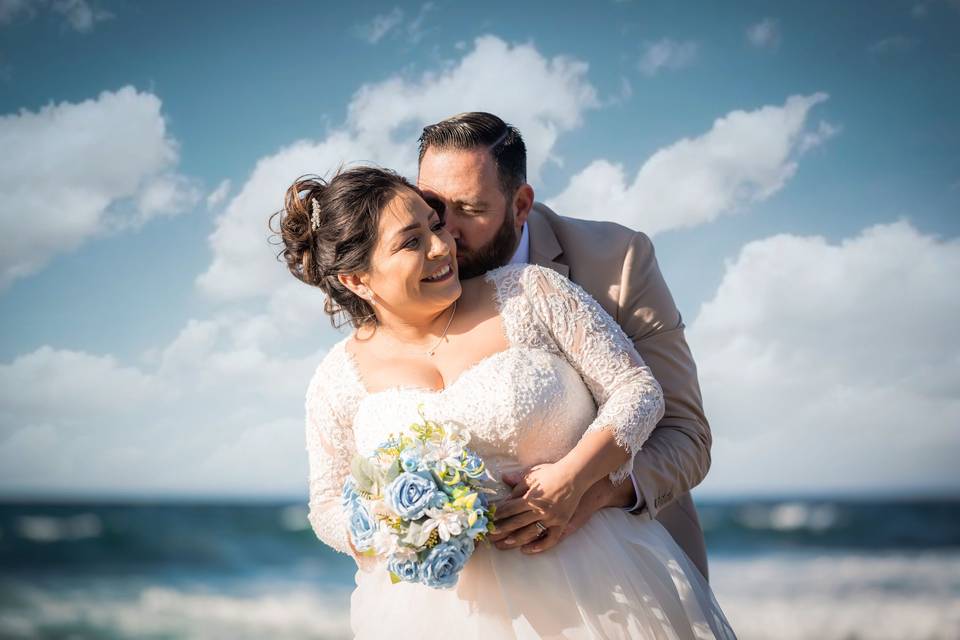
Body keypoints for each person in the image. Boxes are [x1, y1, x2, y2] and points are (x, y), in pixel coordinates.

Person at [272, 165, 736, 638]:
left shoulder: (532, 293)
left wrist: (573, 478)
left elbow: (637, 389)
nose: (442, 245)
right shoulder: (336, 377)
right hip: (433, 616)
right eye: (411, 242)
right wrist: (391, 525)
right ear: (356, 280)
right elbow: (327, 504)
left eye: (434, 225)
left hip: (598, 588)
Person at [416, 112, 712, 579]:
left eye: (471, 210)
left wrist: (586, 493)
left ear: (520, 205)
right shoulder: (410, 269)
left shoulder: (619, 260)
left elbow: (687, 435)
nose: (445, 234)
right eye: (433, 204)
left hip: (631, 566)